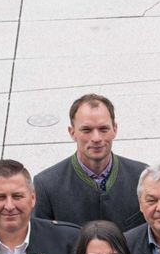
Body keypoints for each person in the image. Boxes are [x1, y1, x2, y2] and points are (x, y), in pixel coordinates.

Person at [34, 93, 148, 231]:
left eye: (103, 129)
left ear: (115, 129)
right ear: (72, 132)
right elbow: (41, 241)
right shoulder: (47, 185)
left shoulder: (141, 176)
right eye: (86, 130)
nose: (96, 138)